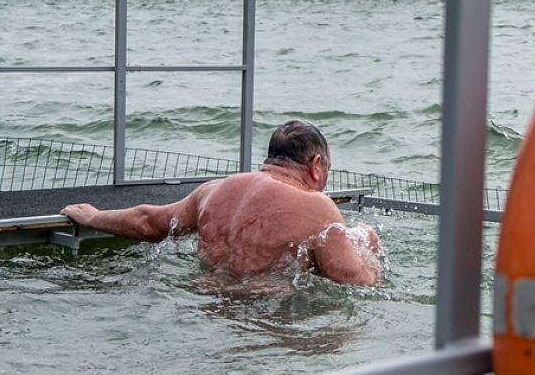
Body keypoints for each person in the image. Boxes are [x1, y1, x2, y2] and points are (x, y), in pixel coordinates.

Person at [60, 120, 384, 286]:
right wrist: (367, 243)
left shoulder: (214, 190)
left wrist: (92, 216)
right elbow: (352, 280)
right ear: (316, 165)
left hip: (203, 302)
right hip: (265, 318)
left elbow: (148, 223)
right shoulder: (317, 206)